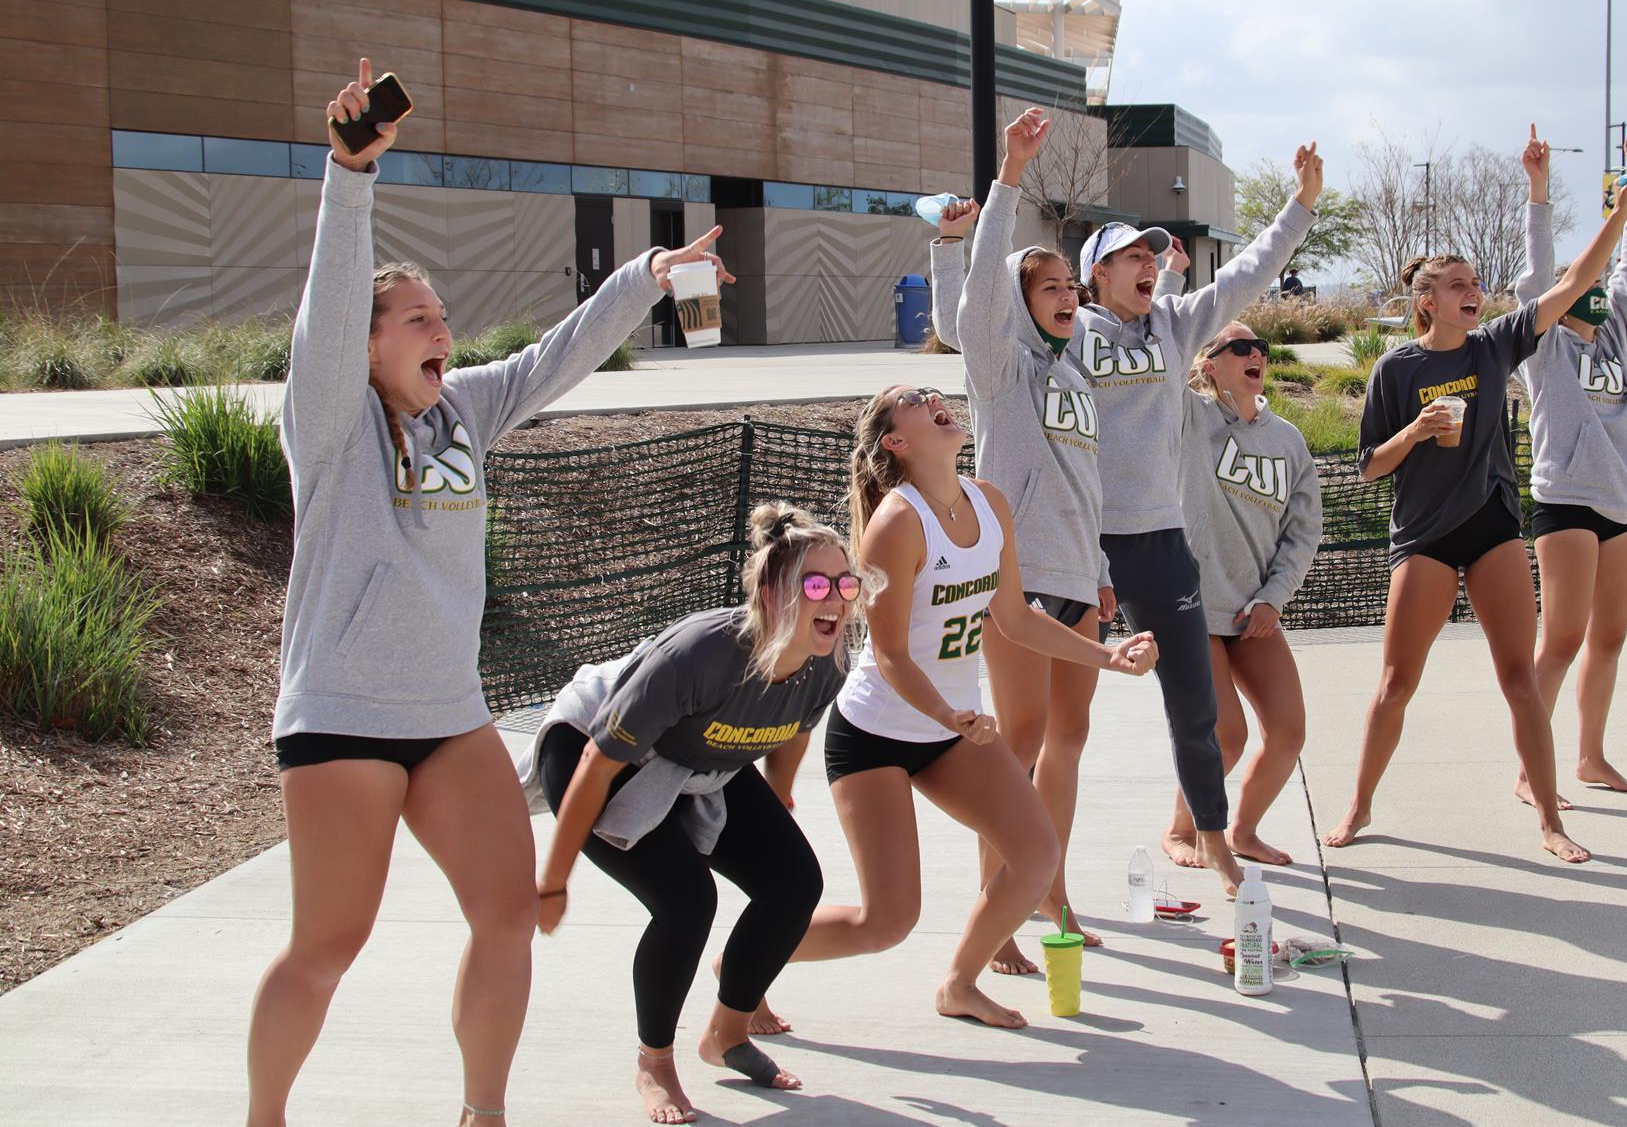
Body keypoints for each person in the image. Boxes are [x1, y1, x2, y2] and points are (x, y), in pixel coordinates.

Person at [247, 58, 730, 1127]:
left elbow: (557, 358)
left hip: (446, 713)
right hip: (340, 717)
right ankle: (264, 1117)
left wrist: (647, 274)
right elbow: (328, 312)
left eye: (440, 314)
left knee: (507, 911)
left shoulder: (461, 409)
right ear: (363, 347)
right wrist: (349, 177)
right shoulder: (326, 422)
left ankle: (483, 1115)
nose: (438, 330)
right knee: (329, 942)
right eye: (413, 319)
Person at [784, 385, 1159, 1028]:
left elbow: (1012, 617)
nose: (933, 396)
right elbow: (894, 654)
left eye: (932, 392)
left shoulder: (989, 501)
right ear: (895, 443)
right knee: (887, 921)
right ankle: (751, 956)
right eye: (911, 399)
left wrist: (1108, 656)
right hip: (876, 731)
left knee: (1036, 856)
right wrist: (945, 715)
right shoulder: (896, 523)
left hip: (951, 729)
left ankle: (959, 983)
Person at [1323, 141, 1627, 864]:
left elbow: (1575, 283)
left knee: (1519, 677)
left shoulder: (1494, 347)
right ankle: (1359, 804)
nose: (1473, 290)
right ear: (1426, 300)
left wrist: (1619, 215)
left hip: (1493, 528)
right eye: (1457, 283)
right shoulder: (1396, 367)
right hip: (1425, 537)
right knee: (1397, 683)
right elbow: (1370, 466)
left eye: (1475, 282)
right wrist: (1416, 428)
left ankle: (1551, 818)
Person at [525, 503, 856, 1126]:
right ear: (770, 593)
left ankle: (726, 1035)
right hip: (596, 749)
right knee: (686, 901)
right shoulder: (702, 655)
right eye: (816, 584)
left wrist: (779, 800)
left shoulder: (826, 662)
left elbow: (790, 734)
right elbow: (597, 760)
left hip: (701, 757)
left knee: (793, 883)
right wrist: (553, 879)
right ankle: (654, 1062)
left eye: (845, 583)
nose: (835, 599)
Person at [1075, 140, 1323, 894]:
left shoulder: (1176, 324)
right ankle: (1035, 878)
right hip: (1081, 544)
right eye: (1131, 255)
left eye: (1155, 254)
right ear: (1098, 273)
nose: (1148, 261)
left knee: (1199, 710)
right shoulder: (1072, 333)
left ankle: (1213, 841)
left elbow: (1248, 272)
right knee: (1058, 728)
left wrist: (1302, 205)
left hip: (1158, 543)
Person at [926, 107, 1121, 972]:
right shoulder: (1003, 374)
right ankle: (995, 912)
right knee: (1015, 748)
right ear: (1018, 300)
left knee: (1063, 746)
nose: (1068, 298)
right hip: (1023, 577)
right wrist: (1008, 179)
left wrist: (1105, 571)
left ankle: (1051, 888)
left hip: (1081, 574)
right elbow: (970, 315)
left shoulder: (1075, 369)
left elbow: (1087, 480)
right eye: (1052, 289)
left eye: (1071, 289)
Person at [1514, 128, 1627, 804]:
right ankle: (1529, 769)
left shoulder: (1615, 336)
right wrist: (1539, 192)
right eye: (1583, 284)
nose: (1595, 291)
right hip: (1567, 498)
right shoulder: (1543, 349)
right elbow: (1542, 273)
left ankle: (1590, 757)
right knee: (1562, 637)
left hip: (1622, 503)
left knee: (1609, 638)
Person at [1159, 322, 1322, 868]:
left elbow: (1304, 532)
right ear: (1209, 364)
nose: (1257, 354)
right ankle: (1181, 831)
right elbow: (1163, 358)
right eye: (1239, 347)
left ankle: (1242, 831)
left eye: (1262, 348)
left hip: (1254, 609)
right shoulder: (1188, 417)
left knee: (1288, 731)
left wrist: (1276, 596)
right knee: (1225, 734)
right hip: (1192, 607)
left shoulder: (1288, 440)